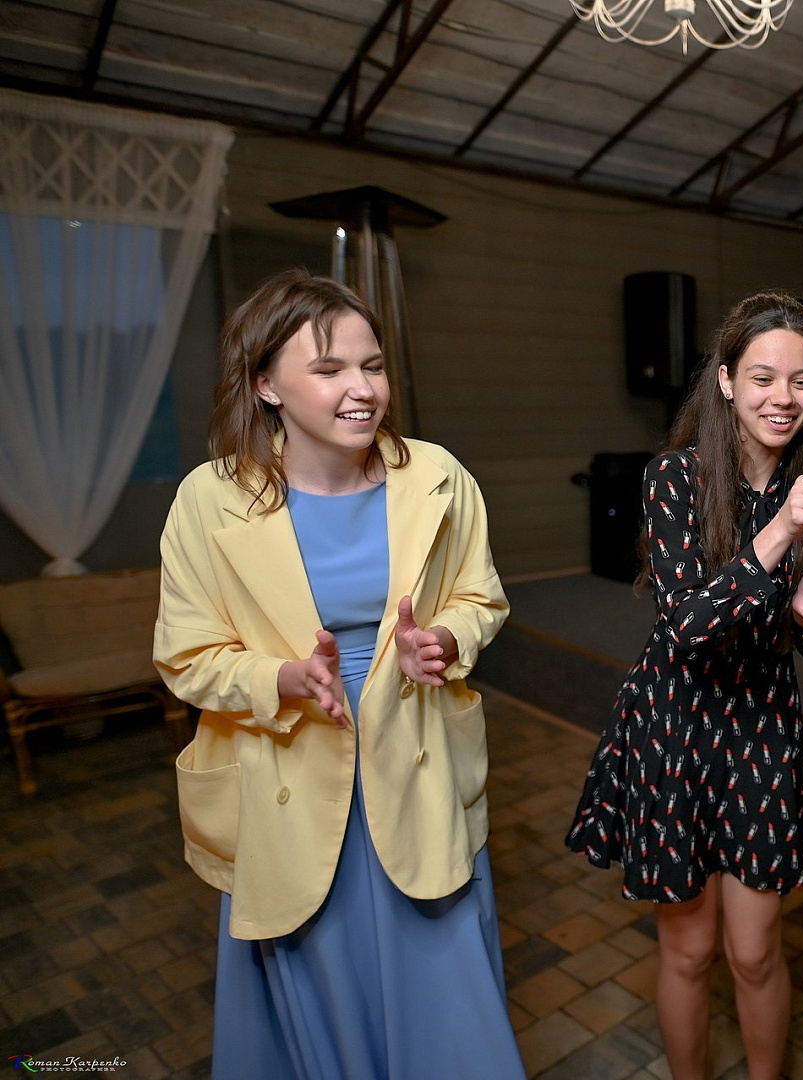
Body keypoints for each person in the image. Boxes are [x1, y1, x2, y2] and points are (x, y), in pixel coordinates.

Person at [154, 270, 524, 1080]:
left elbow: (479, 597)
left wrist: (445, 641)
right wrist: (280, 678)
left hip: (415, 751)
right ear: (266, 385)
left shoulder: (436, 475)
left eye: (373, 366)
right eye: (329, 370)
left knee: (446, 986)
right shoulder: (208, 500)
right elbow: (185, 654)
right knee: (325, 983)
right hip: (288, 757)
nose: (363, 389)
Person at [565, 291, 803, 1080]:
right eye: (763, 377)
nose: (782, 398)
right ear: (727, 381)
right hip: (674, 725)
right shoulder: (675, 478)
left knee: (755, 952)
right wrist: (781, 531)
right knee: (690, 950)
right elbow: (689, 626)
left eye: (800, 381)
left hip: (762, 723)